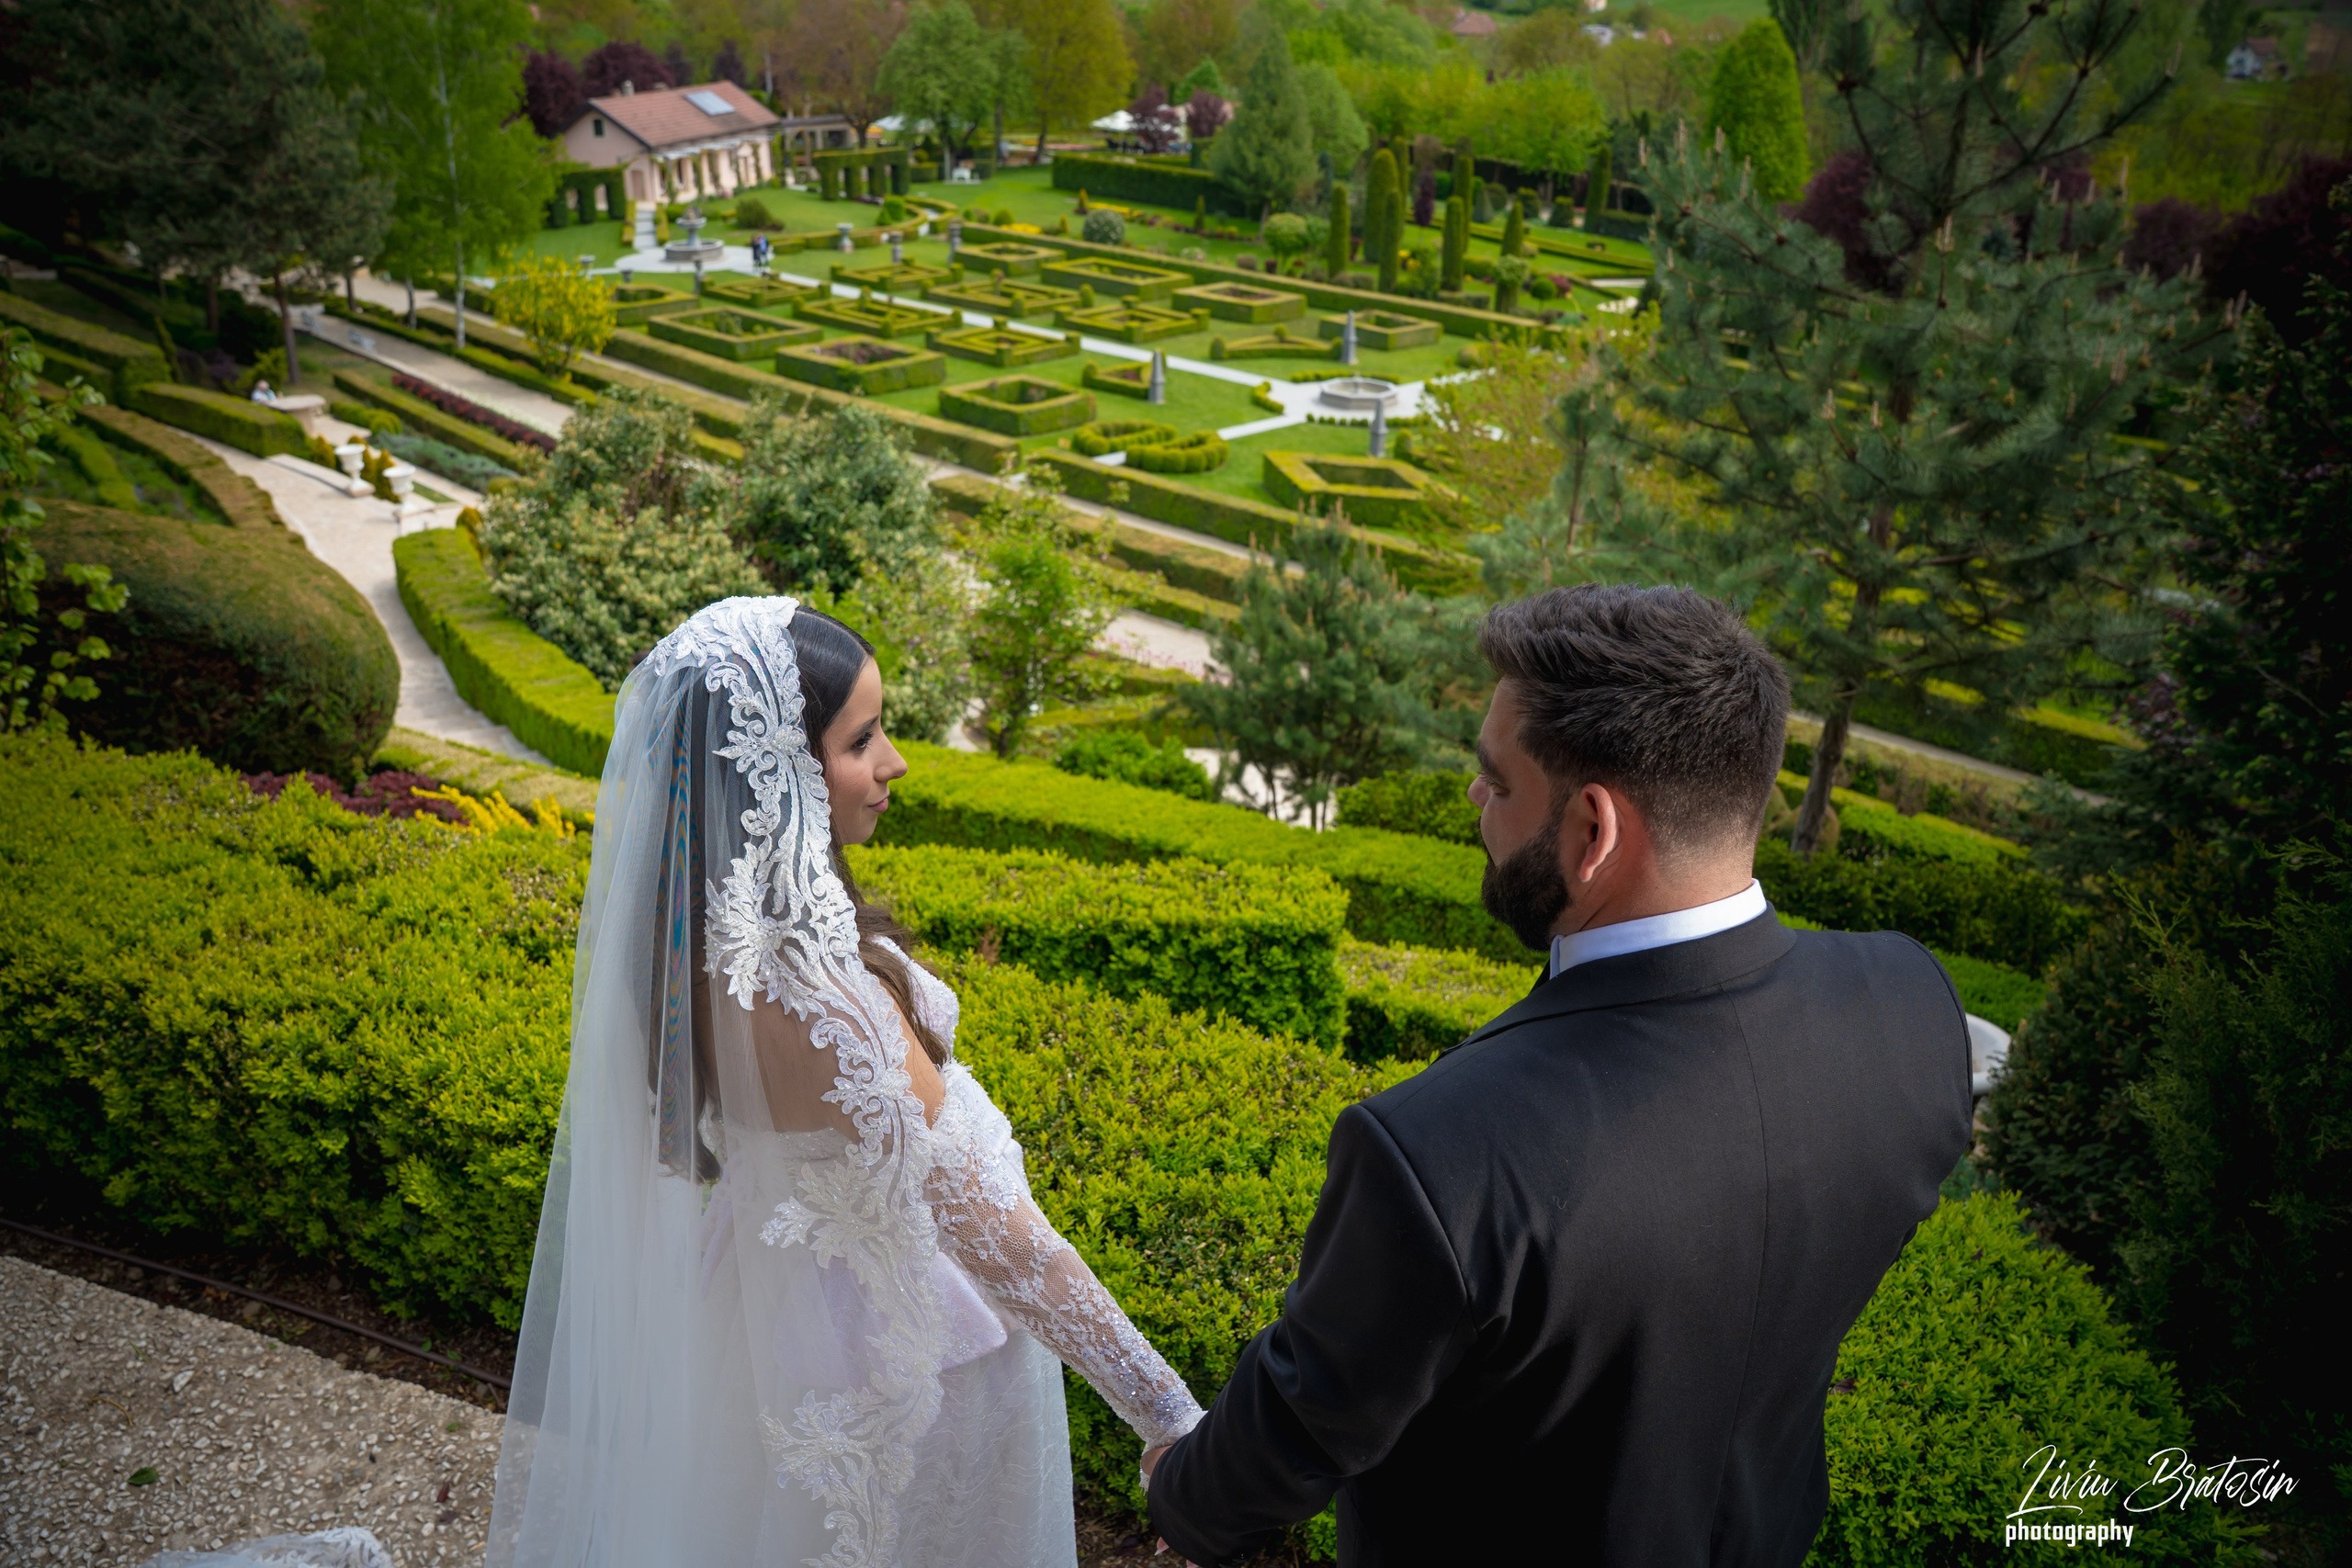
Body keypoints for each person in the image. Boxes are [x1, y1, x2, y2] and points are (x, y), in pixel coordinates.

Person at [1145, 584, 1974, 1566]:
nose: (1473, 801)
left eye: (1495, 782)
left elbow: (1293, 1437)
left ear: (1592, 831)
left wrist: (1181, 1490)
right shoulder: (1910, 1007)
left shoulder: (1441, 1149)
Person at [486, 598, 1201, 1566]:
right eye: (863, 739)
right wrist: (1166, 1410)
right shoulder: (829, 1004)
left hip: (747, 1324)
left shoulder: (675, 949)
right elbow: (1005, 1245)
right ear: (772, 771)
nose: (895, 761)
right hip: (905, 1373)